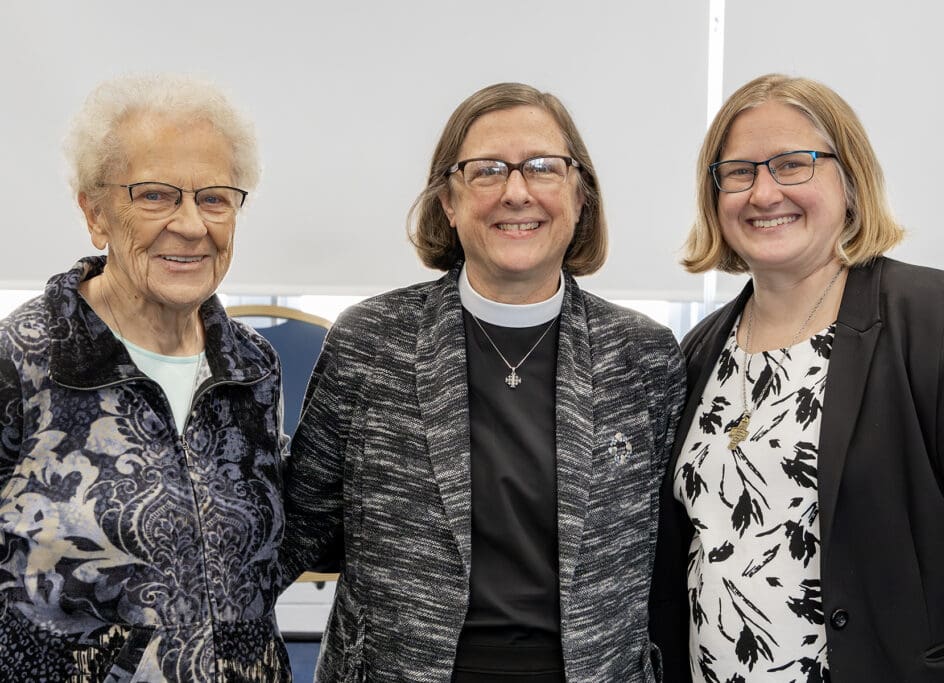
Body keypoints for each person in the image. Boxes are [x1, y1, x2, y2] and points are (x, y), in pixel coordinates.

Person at [282, 82, 686, 682]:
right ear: (448, 201)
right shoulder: (371, 341)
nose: (516, 192)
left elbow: (672, 566)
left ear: (580, 196)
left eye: (543, 167)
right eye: (487, 170)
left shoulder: (644, 356)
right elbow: (298, 531)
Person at [650, 73, 944, 682]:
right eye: (739, 172)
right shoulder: (697, 353)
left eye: (792, 164)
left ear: (850, 180)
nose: (763, 192)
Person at [0, 75, 290, 681]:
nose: (191, 225)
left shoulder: (251, 367)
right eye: (155, 195)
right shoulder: (21, 359)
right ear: (95, 212)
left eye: (215, 198)